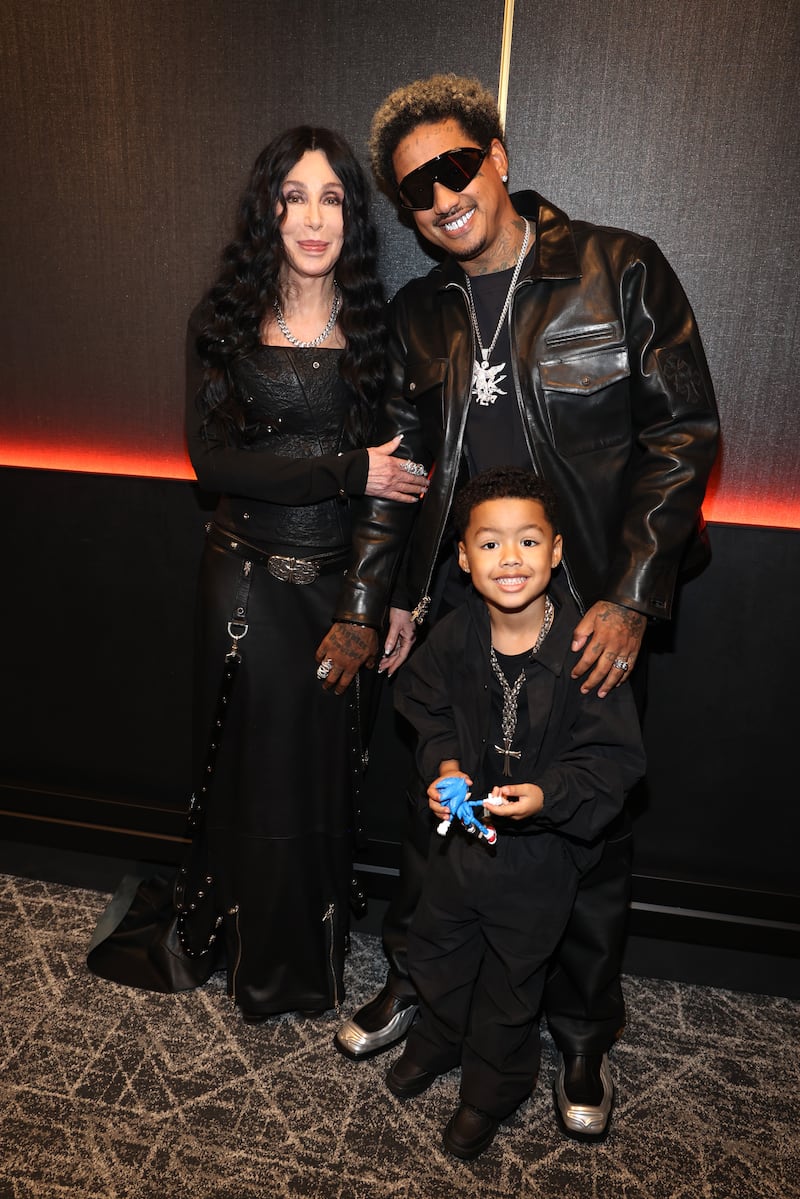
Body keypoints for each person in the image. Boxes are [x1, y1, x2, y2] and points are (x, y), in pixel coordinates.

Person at [318, 74, 719, 1137]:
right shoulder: (418, 314)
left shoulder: (617, 267)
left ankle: (581, 1026)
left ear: (496, 155)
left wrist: (632, 594)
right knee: (440, 807)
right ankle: (425, 980)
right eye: (414, 189)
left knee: (581, 822)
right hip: (458, 602)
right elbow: (400, 475)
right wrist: (378, 599)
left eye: (454, 165)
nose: (440, 195)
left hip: (584, 608)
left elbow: (680, 437)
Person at [89, 127, 428, 1018]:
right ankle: (240, 936)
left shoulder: (380, 326)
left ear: (352, 217)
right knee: (246, 766)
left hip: (338, 588)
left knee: (321, 770)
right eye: (294, 196)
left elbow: (410, 480)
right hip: (241, 582)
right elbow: (215, 466)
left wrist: (388, 596)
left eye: (332, 198)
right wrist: (350, 469)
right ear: (267, 208)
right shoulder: (226, 317)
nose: (312, 218)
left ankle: (298, 950)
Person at [386, 467, 646, 1159]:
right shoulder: (453, 633)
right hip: (460, 848)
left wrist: (547, 795)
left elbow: (612, 762)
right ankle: (440, 1037)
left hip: (539, 860)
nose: (510, 559)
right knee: (437, 948)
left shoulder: (588, 652)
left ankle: (491, 1090)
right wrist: (444, 767)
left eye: (528, 541)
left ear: (556, 551)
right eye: (491, 543)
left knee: (510, 983)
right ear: (463, 558)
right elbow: (427, 706)